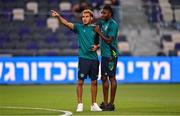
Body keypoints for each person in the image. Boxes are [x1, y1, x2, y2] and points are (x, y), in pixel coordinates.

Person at [51, 9, 102, 112]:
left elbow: (102, 41)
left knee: (94, 82)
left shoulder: (95, 29)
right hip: (83, 58)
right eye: (83, 17)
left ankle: (94, 104)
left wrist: (98, 46)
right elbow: (66, 23)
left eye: (87, 16)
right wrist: (58, 16)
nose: (84, 18)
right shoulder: (79, 27)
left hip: (94, 59)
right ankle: (80, 104)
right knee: (80, 82)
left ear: (91, 18)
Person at [94, 5, 119, 111]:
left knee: (111, 77)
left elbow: (109, 40)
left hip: (111, 54)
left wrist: (99, 32)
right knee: (104, 78)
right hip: (104, 54)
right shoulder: (102, 22)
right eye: (102, 13)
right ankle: (105, 103)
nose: (102, 14)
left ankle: (111, 104)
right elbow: (94, 27)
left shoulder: (113, 24)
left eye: (104, 13)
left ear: (110, 14)